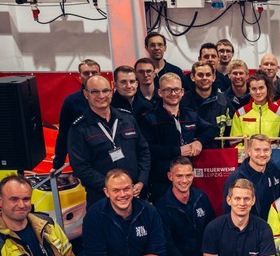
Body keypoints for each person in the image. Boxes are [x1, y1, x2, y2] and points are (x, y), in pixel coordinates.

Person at [68, 74, 150, 205]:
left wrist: (141, 180)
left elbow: (143, 151)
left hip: (135, 192)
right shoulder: (79, 128)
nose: (101, 96)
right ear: (86, 94)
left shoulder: (128, 118)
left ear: (112, 91)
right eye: (95, 91)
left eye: (105, 91)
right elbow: (81, 168)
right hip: (102, 197)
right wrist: (114, 188)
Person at [139, 73, 211, 199]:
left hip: (187, 178)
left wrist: (199, 142)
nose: (173, 93)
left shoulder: (191, 115)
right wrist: (178, 151)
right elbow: (149, 149)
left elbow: (212, 129)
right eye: (168, 90)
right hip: (162, 180)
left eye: (176, 89)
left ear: (182, 91)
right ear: (160, 92)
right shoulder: (149, 118)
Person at [155, 157, 214, 256]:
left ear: (193, 175)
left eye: (188, 175)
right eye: (179, 176)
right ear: (170, 176)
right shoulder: (161, 207)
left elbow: (211, 230)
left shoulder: (202, 197)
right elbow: (166, 244)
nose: (184, 180)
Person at [224, 134, 280, 219]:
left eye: (266, 150)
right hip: (251, 229)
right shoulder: (236, 178)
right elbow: (229, 213)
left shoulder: (273, 169)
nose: (262, 154)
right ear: (249, 151)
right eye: (257, 150)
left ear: (271, 151)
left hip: (274, 226)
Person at [53, 58, 100, 169]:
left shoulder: (110, 98)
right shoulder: (71, 102)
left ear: (100, 74)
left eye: (94, 72)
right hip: (83, 156)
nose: (90, 75)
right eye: (86, 73)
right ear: (80, 76)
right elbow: (63, 134)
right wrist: (57, 165)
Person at [230, 73, 280, 160]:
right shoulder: (240, 113)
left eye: (261, 88)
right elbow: (234, 143)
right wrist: (248, 157)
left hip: (275, 160)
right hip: (248, 162)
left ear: (267, 88)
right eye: (254, 89)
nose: (258, 92)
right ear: (249, 90)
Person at [184, 60, 231, 145]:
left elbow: (230, 129)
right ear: (192, 77)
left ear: (213, 77)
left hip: (217, 152)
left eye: (208, 75)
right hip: (191, 153)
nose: (204, 78)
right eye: (200, 75)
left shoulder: (224, 99)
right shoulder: (184, 100)